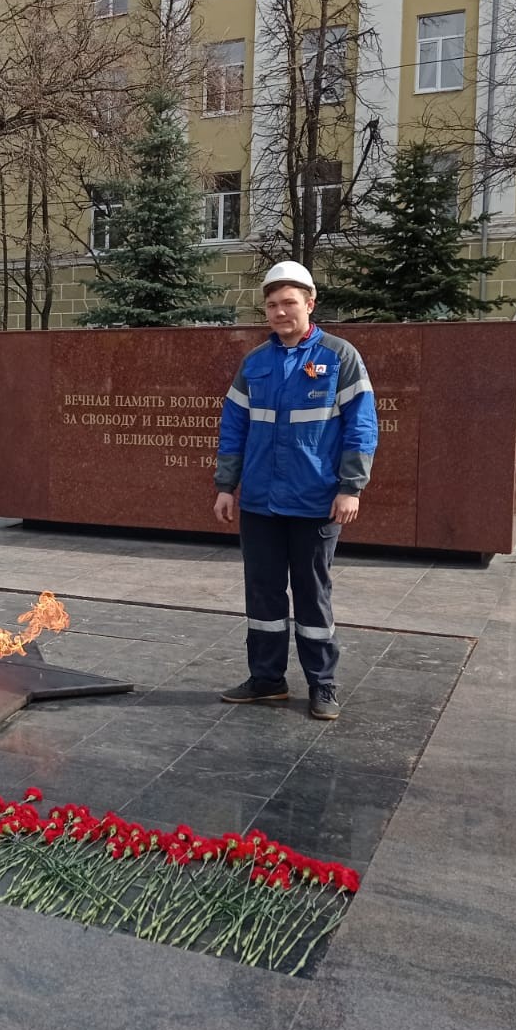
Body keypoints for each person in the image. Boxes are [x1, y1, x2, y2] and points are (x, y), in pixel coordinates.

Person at [212, 261, 378, 721]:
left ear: (310, 303)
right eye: (272, 305)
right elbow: (234, 427)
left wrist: (351, 488)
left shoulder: (340, 357)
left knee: (311, 594)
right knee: (263, 595)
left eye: (289, 303)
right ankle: (266, 679)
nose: (280, 312)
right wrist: (227, 486)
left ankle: (322, 684)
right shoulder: (256, 363)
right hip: (261, 501)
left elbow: (361, 428)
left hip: (316, 500)